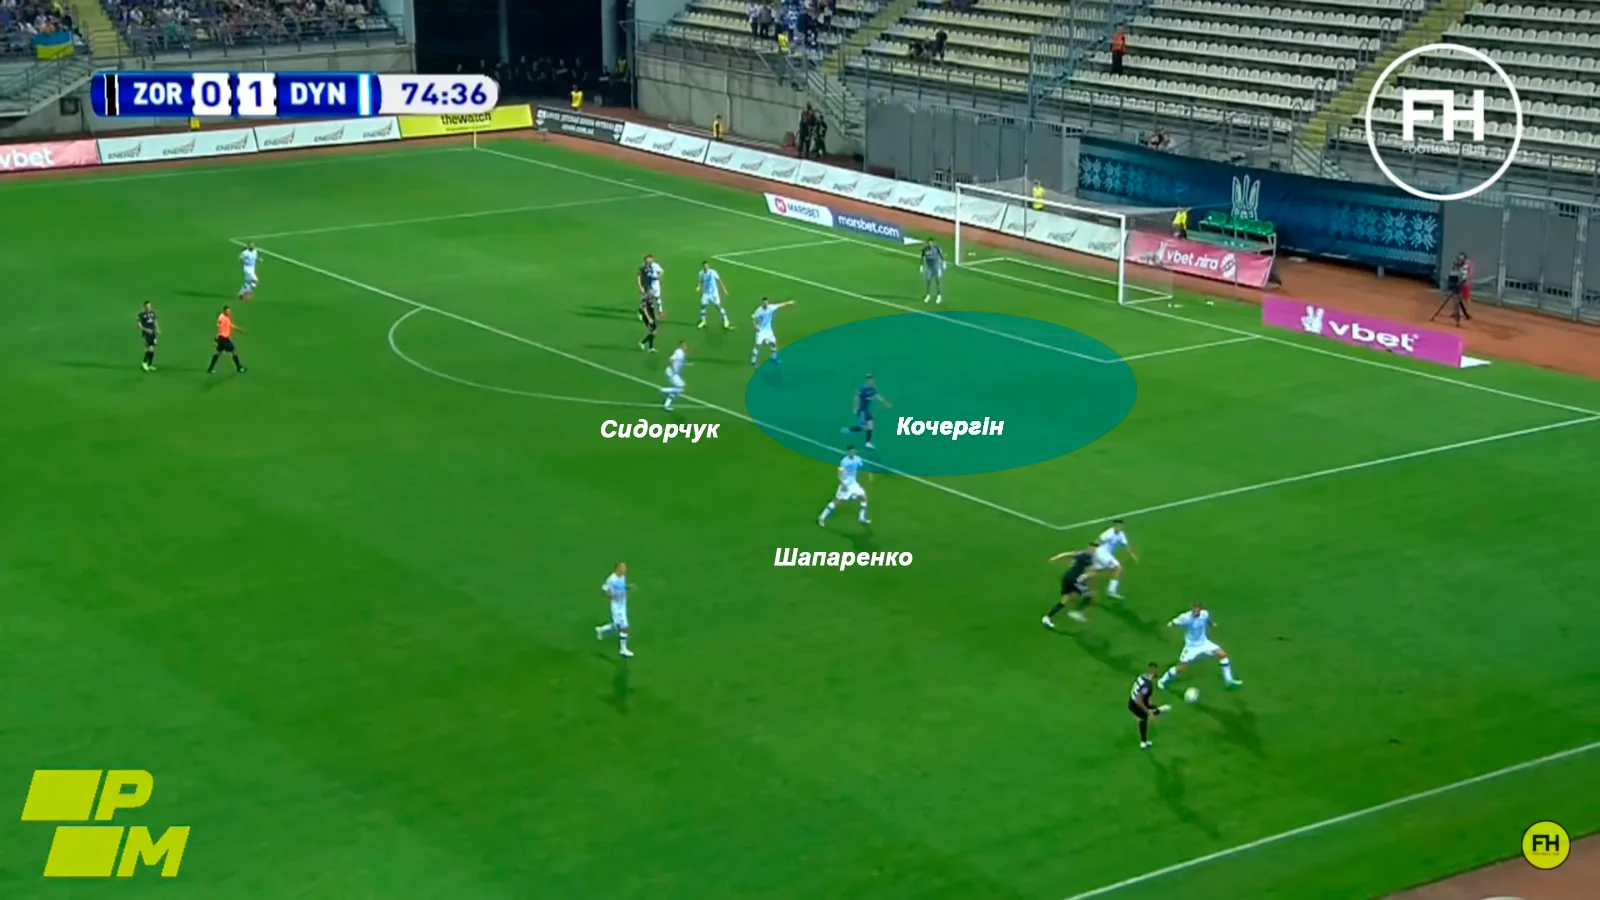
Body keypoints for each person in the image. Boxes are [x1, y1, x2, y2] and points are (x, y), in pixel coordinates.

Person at [1157, 602, 1243, 690]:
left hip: (1204, 643)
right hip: (1191, 647)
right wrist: (1168, 626)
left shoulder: (1204, 614)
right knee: (1180, 668)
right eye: (1194, 610)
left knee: (1223, 655)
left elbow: (1207, 620)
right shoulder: (1185, 617)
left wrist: (1212, 624)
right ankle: (1162, 680)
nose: (1195, 612)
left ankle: (1228, 680)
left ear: (1200, 610)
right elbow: (1174, 622)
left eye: (1197, 611)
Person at [1041, 541, 1098, 627]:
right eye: (1093, 548)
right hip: (1073, 580)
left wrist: (1055, 558)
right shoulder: (1087, 557)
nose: (1093, 550)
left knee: (1065, 600)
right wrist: (1089, 576)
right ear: (1089, 548)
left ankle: (1047, 617)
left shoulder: (1081, 554)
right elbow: (1089, 572)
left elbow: (1068, 554)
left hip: (1067, 577)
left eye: (1095, 549)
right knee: (1089, 595)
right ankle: (1077, 612)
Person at [818, 446, 870, 527]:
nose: (852, 452)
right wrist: (843, 484)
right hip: (845, 485)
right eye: (850, 451)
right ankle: (821, 517)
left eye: (853, 451)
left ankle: (861, 517)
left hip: (854, 484)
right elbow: (839, 475)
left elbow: (860, 466)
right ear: (847, 452)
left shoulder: (857, 459)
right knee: (837, 502)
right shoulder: (844, 461)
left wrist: (869, 474)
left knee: (864, 498)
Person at [1129, 663, 1172, 750]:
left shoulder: (1142, 676)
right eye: (1156, 670)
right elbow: (1139, 700)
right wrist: (1147, 711)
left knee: (1147, 714)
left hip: (1132, 700)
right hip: (1136, 704)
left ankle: (1144, 741)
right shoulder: (1147, 685)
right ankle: (1143, 742)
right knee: (1145, 717)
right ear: (1153, 670)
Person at [595, 561, 633, 658]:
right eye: (622, 567)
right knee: (624, 627)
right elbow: (604, 590)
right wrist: (612, 596)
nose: (624, 569)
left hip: (623, 605)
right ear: (617, 568)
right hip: (616, 606)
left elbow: (621, 588)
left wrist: (627, 588)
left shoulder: (622, 577)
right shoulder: (611, 579)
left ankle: (601, 630)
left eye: (625, 567)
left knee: (617, 626)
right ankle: (623, 649)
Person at [842, 374, 891, 449]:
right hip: (861, 411)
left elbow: (877, 396)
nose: (872, 382)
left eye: (873, 380)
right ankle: (850, 429)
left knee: (871, 425)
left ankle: (867, 443)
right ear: (867, 381)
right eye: (870, 381)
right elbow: (856, 398)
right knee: (863, 428)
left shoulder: (873, 388)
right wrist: (855, 407)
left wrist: (885, 403)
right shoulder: (862, 389)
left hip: (867, 410)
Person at [1092, 519, 1137, 598]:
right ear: (1114, 526)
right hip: (1101, 553)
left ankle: (1079, 580)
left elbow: (1125, 545)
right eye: (1117, 526)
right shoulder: (1109, 533)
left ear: (1122, 526)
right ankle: (1111, 591)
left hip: (1105, 555)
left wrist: (1132, 554)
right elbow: (1098, 540)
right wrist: (1090, 552)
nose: (1118, 527)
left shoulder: (1121, 534)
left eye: (1120, 526)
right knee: (1117, 568)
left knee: (1096, 571)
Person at [750, 297, 795, 367]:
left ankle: (774, 358)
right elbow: (753, 318)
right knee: (757, 345)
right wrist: (756, 326)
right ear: (762, 303)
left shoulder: (771, 307)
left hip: (768, 331)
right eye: (764, 303)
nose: (765, 304)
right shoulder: (759, 310)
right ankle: (753, 361)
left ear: (768, 303)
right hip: (761, 331)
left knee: (773, 344)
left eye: (766, 303)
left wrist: (789, 302)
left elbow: (780, 305)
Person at [207, 306, 246, 376]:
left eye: (230, 311)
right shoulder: (223, 318)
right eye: (228, 311)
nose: (229, 312)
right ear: (224, 311)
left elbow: (230, 325)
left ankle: (210, 368)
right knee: (234, 350)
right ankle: (239, 368)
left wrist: (239, 330)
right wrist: (216, 339)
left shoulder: (225, 317)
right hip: (223, 339)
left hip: (222, 339)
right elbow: (219, 328)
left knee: (218, 353)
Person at [696, 261, 731, 330]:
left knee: (718, 306)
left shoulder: (713, 272)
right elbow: (701, 281)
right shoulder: (701, 273)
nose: (706, 267)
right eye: (705, 266)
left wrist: (724, 289)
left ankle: (726, 320)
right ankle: (703, 321)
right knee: (703, 306)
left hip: (714, 293)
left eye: (707, 266)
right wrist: (699, 286)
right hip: (706, 293)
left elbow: (719, 280)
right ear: (703, 267)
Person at [662, 340, 687, 410]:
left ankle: (666, 405)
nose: (686, 347)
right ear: (681, 346)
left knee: (675, 390)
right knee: (681, 386)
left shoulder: (682, 353)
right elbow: (671, 359)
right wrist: (673, 369)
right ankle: (664, 390)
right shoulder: (679, 352)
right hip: (672, 373)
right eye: (684, 345)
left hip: (674, 373)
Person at [921, 239, 945, 304]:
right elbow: (922, 257)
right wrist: (921, 265)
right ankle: (928, 295)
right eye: (929, 243)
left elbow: (941, 255)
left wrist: (943, 263)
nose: (930, 244)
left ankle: (939, 295)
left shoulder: (936, 248)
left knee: (937, 281)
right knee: (928, 281)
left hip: (936, 267)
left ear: (933, 243)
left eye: (931, 243)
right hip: (929, 268)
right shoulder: (925, 250)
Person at [136, 301, 159, 371]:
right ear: (144, 307)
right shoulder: (141, 315)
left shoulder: (152, 313)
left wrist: (157, 329)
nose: (149, 307)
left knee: (152, 350)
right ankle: (144, 363)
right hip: (146, 334)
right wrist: (146, 330)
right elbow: (139, 326)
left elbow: (155, 321)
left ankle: (149, 364)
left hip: (153, 334)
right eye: (147, 306)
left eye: (149, 306)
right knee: (150, 349)